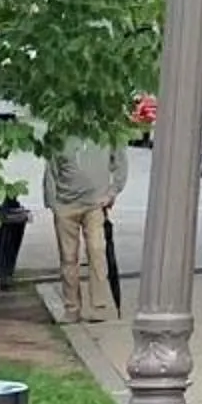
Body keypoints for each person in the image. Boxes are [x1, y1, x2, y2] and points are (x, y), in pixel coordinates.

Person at [43, 131, 128, 325]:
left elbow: (121, 161)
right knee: (68, 257)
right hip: (65, 206)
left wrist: (112, 192)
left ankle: (98, 307)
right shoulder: (60, 132)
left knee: (96, 251)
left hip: (95, 204)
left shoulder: (106, 129)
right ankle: (72, 309)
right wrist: (53, 204)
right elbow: (50, 171)